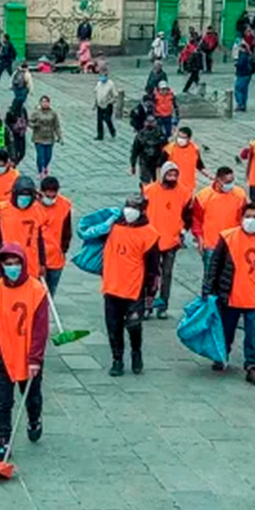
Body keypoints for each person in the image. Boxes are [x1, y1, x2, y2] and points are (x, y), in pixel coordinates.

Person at [0, 242, 50, 461]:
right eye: (8, 264)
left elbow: (41, 328)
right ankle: (3, 440)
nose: (12, 268)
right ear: (1, 266)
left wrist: (35, 359)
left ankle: (34, 419)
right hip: (4, 356)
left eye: (16, 263)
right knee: (3, 400)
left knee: (31, 396)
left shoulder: (37, 291)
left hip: (29, 356)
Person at [202, 203, 255, 387]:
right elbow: (215, 265)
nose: (251, 220)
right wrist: (208, 290)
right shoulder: (228, 238)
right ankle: (221, 355)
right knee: (226, 330)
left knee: (254, 335)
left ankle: (253, 367)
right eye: (248, 216)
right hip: (231, 295)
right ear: (241, 218)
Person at [101, 194, 160, 376]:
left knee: (134, 324)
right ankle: (117, 359)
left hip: (134, 287)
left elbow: (153, 266)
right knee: (113, 325)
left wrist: (151, 290)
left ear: (142, 210)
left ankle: (136, 352)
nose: (130, 210)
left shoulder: (150, 234)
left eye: (134, 207)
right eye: (128, 206)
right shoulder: (112, 226)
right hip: (112, 284)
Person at [142, 162, 192, 319]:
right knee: (150, 275)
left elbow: (188, 215)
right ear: (163, 175)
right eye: (169, 175)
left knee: (167, 274)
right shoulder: (149, 191)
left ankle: (163, 305)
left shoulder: (184, 192)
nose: (172, 178)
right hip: (152, 240)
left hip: (171, 240)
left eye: (175, 175)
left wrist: (183, 231)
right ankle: (148, 304)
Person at [0, 177, 49, 287]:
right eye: (22, 196)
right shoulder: (1, 210)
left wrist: (43, 263)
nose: (24, 200)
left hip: (31, 267)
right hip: (7, 265)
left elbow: (39, 240)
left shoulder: (37, 211)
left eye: (28, 196)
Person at [190, 167, 247, 264]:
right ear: (217, 180)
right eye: (228, 182)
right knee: (210, 277)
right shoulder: (203, 196)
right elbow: (196, 220)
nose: (231, 185)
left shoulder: (240, 195)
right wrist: (200, 239)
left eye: (232, 181)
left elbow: (243, 218)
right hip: (210, 245)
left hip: (232, 244)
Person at [37, 176, 72, 293]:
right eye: (48, 196)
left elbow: (67, 231)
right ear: (41, 192)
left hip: (55, 258)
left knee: (50, 292)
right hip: (35, 258)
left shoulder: (65, 205)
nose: (51, 199)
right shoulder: (32, 205)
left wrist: (64, 249)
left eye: (53, 196)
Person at [163, 126, 210, 196]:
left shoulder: (194, 149)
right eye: (179, 136)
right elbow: (159, 166)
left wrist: (208, 175)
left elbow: (199, 164)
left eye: (183, 137)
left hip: (189, 187)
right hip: (173, 185)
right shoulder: (169, 149)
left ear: (189, 138)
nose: (180, 139)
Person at [129, 115, 167, 184]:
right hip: (145, 160)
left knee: (158, 182)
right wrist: (133, 165)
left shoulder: (160, 134)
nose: (150, 124)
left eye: (152, 122)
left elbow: (167, 149)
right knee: (145, 181)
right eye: (148, 122)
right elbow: (135, 150)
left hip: (157, 161)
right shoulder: (140, 135)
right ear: (145, 123)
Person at [29, 96, 61, 177]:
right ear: (40, 103)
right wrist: (34, 125)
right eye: (43, 102)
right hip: (38, 137)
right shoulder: (36, 113)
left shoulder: (53, 113)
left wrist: (59, 136)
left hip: (49, 137)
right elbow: (29, 122)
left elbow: (56, 125)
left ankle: (46, 166)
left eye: (46, 102)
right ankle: (40, 171)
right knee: (40, 156)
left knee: (48, 156)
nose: (45, 103)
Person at [94, 73, 119, 140]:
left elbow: (115, 95)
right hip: (100, 104)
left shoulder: (110, 84)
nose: (102, 78)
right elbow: (96, 93)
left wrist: (111, 102)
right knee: (99, 120)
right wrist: (95, 103)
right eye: (101, 76)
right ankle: (100, 135)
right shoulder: (99, 84)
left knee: (107, 118)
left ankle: (112, 130)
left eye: (103, 76)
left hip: (108, 104)